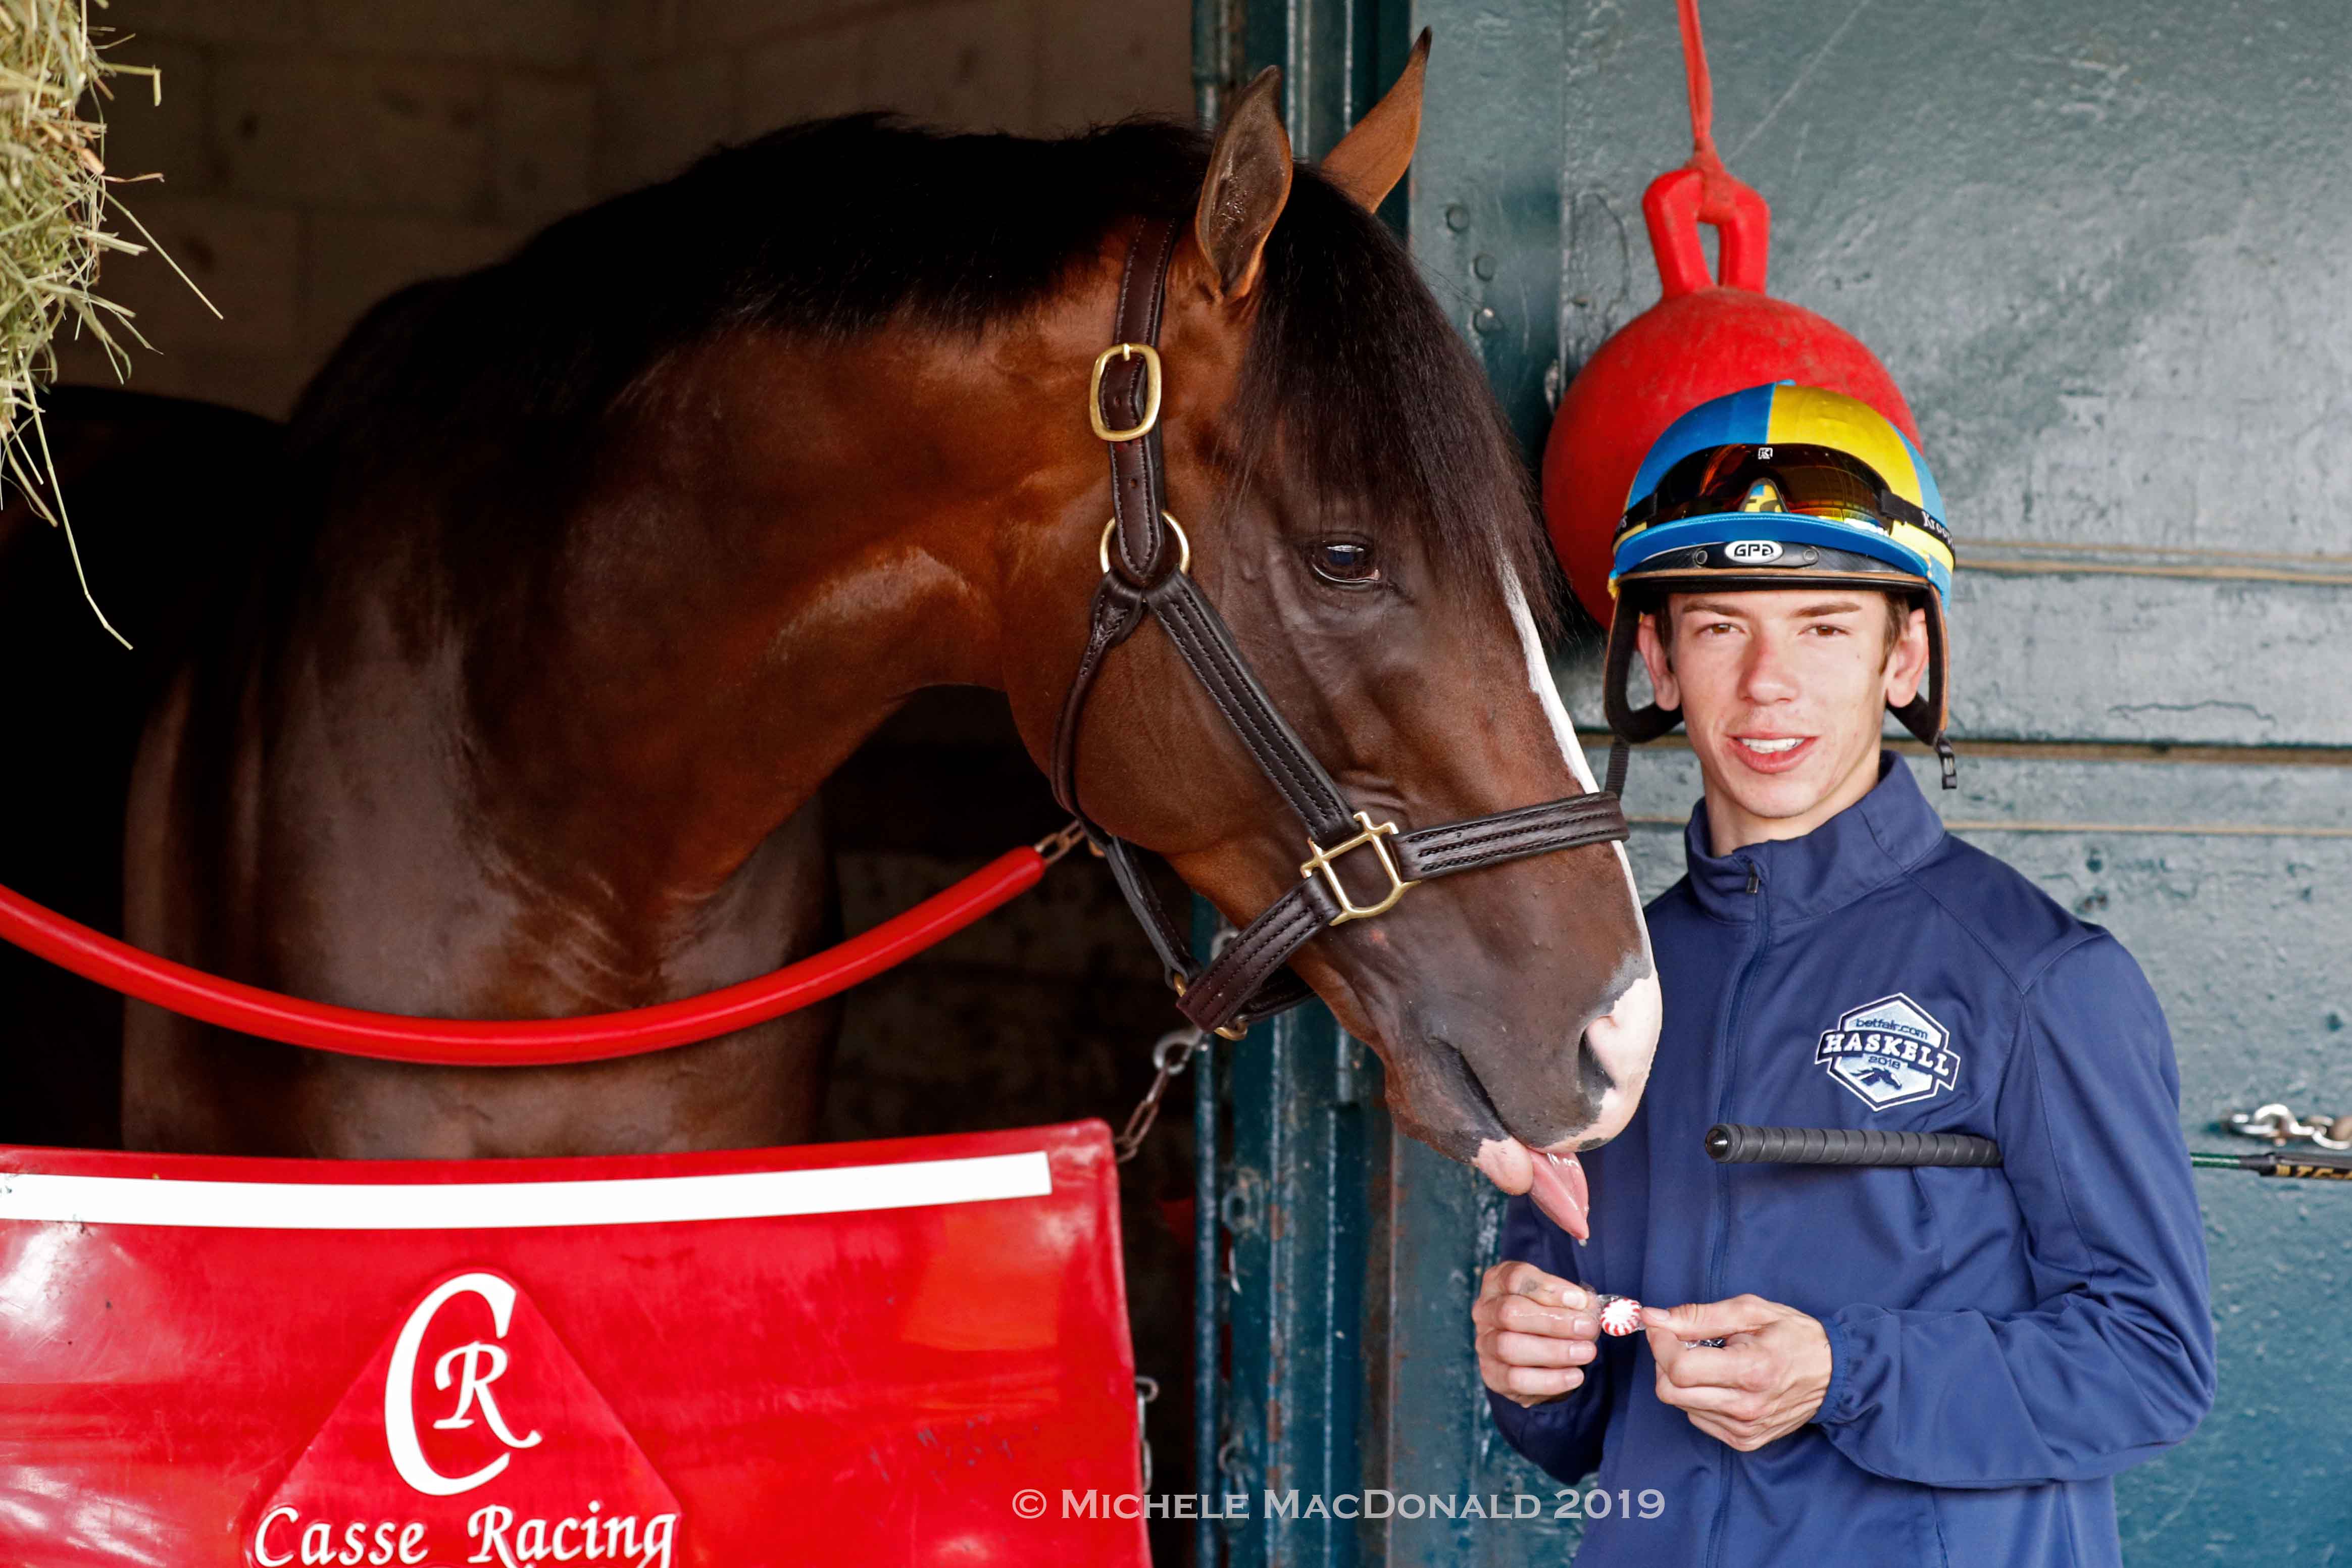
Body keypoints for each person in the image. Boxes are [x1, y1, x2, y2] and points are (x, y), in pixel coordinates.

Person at [1476, 383, 2214, 1566]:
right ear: (1657, 659)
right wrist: (1529, 1362)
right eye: (1720, 626)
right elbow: (1570, 1430)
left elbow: (2151, 1365)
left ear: (1901, 654)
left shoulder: (2040, 978)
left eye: (1824, 626)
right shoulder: (1600, 987)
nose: (1769, 681)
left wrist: (1845, 1370)